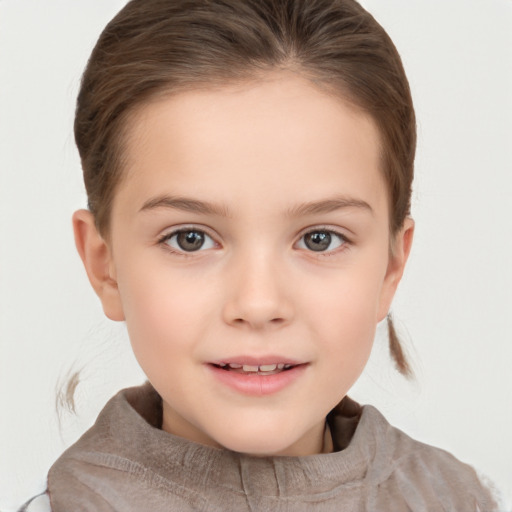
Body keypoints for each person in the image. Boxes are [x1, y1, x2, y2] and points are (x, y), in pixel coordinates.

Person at [17, 0, 500, 510]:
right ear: (104, 264)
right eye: (190, 238)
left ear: (390, 267)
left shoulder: (463, 500)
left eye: (320, 239)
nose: (258, 302)